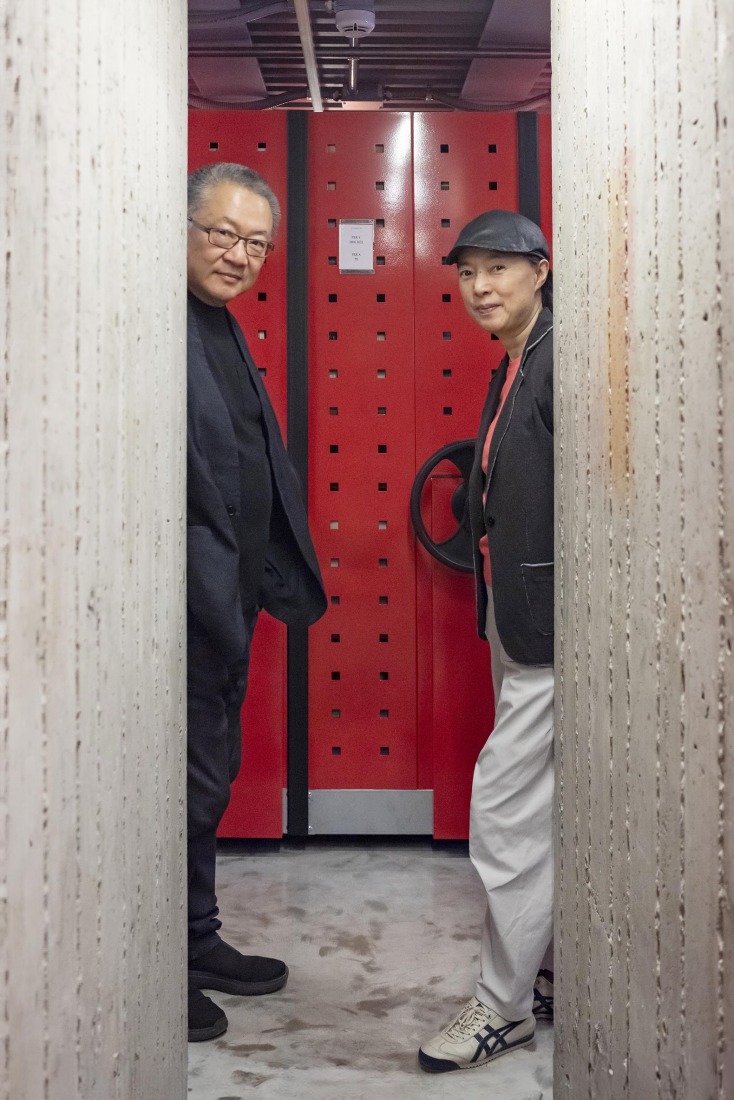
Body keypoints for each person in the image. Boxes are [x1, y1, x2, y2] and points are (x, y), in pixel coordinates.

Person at [186, 163, 326, 1042]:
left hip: (224, 602)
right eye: (221, 234)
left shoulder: (220, 327)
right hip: (178, 607)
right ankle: (151, 953)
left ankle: (194, 939)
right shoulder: (153, 326)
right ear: (183, 226)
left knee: (204, 782)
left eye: (256, 243)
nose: (238, 255)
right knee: (175, 790)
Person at [418, 209, 555, 1073]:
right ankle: (544, 974)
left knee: (505, 813)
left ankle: (503, 1008)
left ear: (541, 270)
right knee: (545, 813)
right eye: (467, 274)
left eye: (498, 270)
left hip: (552, 632)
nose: (480, 288)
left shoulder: (558, 360)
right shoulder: (514, 364)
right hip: (518, 621)